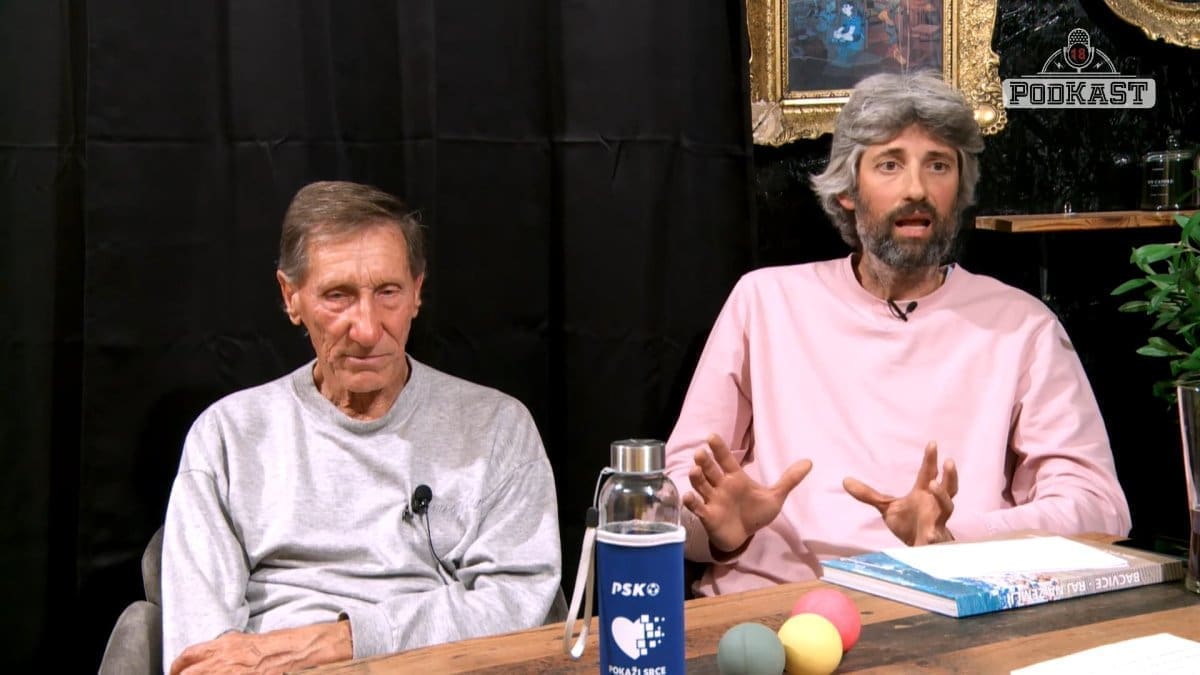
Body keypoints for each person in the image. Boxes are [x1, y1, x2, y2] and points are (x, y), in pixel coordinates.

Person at [664, 71, 1131, 597]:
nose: (916, 189)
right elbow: (676, 489)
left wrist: (957, 536)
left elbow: (1100, 509)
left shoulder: (1022, 326)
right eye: (890, 164)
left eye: (938, 165)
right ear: (848, 190)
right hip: (773, 606)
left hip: (949, 603)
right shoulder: (764, 301)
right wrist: (719, 531)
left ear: (959, 191)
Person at [160, 181, 562, 673]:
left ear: (417, 292)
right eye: (338, 296)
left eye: (388, 292)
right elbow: (201, 649)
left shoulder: (497, 428)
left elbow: (516, 604)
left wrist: (341, 641)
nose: (368, 330)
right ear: (291, 296)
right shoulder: (227, 436)